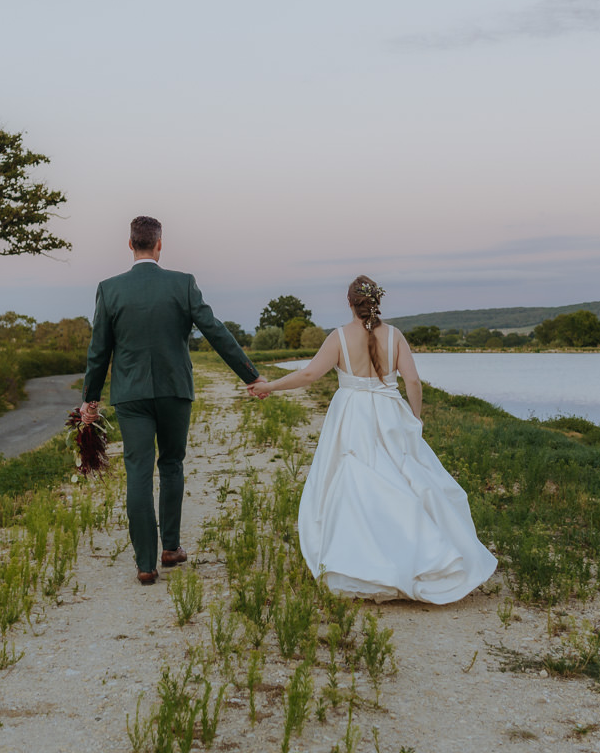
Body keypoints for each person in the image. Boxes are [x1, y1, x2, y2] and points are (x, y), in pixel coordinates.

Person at [248, 275, 496, 603]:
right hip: (390, 413)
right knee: (405, 478)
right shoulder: (395, 336)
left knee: (356, 484)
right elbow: (413, 381)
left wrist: (268, 386)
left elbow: (309, 375)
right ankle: (424, 554)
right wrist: (415, 418)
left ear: (349, 302)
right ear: (377, 302)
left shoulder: (338, 338)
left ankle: (364, 563)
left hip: (352, 414)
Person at [80, 216, 261, 586]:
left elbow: (98, 351)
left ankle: (146, 564)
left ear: (130, 245)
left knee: (138, 473)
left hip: (131, 395)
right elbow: (215, 330)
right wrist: (251, 375)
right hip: (175, 390)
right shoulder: (183, 283)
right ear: (159, 245)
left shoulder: (109, 289)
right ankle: (171, 547)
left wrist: (90, 400)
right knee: (173, 463)